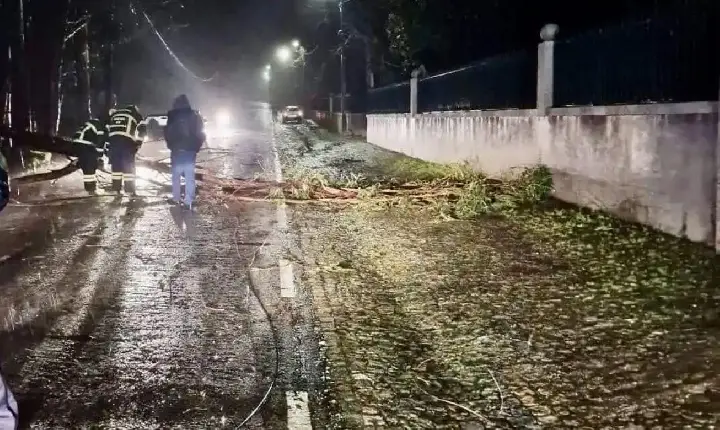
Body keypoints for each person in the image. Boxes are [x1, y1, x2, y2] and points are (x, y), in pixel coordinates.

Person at [164, 95, 205, 209]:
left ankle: (176, 198)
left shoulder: (172, 116)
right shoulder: (194, 116)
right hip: (190, 150)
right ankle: (188, 201)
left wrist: (171, 146)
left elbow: (167, 133)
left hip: (177, 150)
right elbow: (200, 133)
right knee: (189, 175)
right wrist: (196, 147)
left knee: (176, 175)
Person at [107, 105, 145, 195]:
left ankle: (116, 190)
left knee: (116, 167)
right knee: (128, 167)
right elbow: (142, 129)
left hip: (113, 143)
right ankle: (130, 191)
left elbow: (108, 129)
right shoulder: (135, 114)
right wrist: (138, 143)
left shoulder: (116, 114)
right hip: (126, 143)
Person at [71, 117, 108, 193]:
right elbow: (101, 143)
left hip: (78, 144)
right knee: (90, 165)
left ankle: (91, 187)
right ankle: (91, 189)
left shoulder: (94, 123)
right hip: (85, 144)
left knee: (89, 163)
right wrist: (100, 156)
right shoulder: (101, 127)